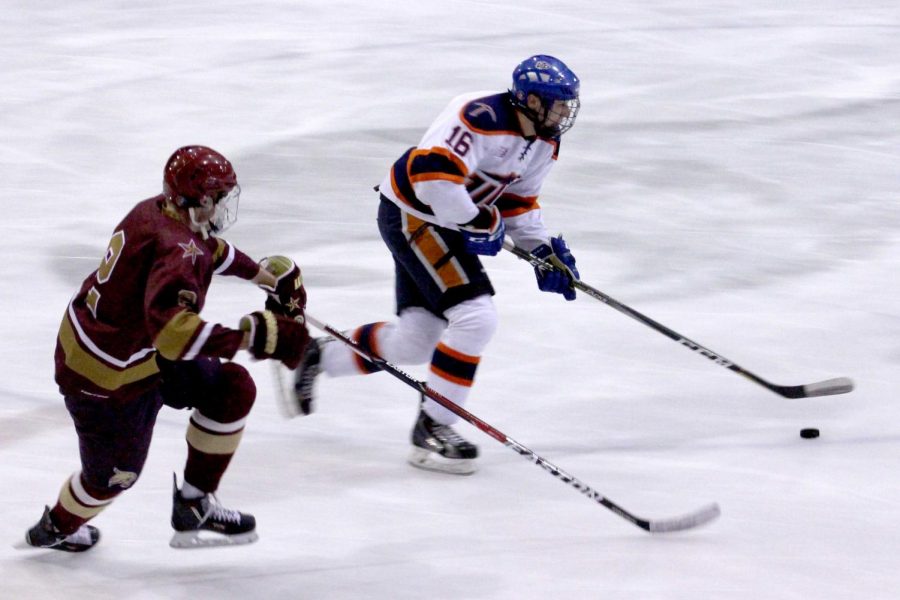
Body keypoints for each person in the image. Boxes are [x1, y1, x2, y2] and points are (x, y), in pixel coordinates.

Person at [289, 55, 581, 475]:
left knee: (418, 340)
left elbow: (518, 202)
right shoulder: (479, 116)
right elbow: (434, 181)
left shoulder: (545, 142)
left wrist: (543, 249)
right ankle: (435, 425)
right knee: (476, 318)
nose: (564, 113)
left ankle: (322, 356)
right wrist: (480, 221)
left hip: (445, 221)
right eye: (557, 104)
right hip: (416, 214)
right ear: (530, 100)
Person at [24, 145, 310, 552]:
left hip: (135, 353)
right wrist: (250, 337)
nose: (223, 206)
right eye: (219, 197)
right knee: (111, 479)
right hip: (105, 379)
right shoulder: (177, 251)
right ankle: (58, 527)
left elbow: (209, 251)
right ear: (201, 199)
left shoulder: (159, 210)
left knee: (231, 389)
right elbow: (174, 336)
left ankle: (193, 505)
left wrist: (265, 277)